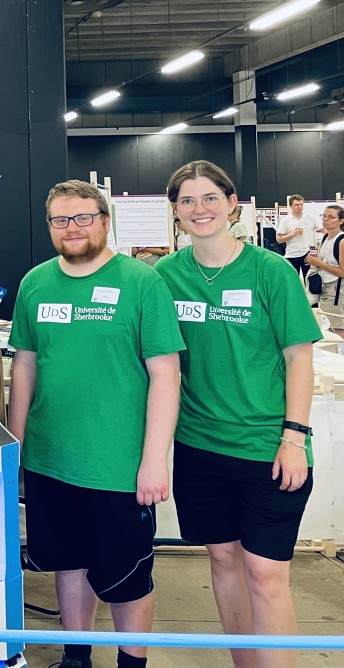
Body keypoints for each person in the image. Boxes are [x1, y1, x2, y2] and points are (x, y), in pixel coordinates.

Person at [9, 179, 183, 668]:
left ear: (105, 221)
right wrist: (15, 445)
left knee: (127, 575)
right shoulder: (35, 283)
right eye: (61, 220)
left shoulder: (142, 282)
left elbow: (165, 374)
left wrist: (154, 460)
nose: (72, 228)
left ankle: (132, 663)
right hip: (50, 458)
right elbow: (25, 365)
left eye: (83, 217)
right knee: (68, 562)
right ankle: (76, 657)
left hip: (119, 463)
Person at [156, 161, 321, 668]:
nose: (199, 209)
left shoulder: (269, 271)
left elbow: (299, 358)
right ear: (176, 214)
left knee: (266, 575)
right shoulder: (165, 276)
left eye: (209, 198)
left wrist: (294, 437)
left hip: (268, 448)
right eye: (187, 201)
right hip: (200, 447)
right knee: (223, 562)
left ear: (232, 204)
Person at [307, 205, 344, 334]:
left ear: (341, 221)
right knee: (330, 326)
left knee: (338, 328)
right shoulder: (325, 237)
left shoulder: (341, 241)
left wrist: (318, 263)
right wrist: (314, 261)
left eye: (331, 217)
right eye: (324, 216)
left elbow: (342, 272)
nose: (326, 219)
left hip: (337, 290)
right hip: (325, 287)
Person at [276, 194, 320, 276]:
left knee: (310, 282)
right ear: (290, 206)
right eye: (296, 205)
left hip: (307, 255)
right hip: (291, 255)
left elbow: (324, 229)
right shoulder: (285, 220)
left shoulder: (310, 218)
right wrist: (293, 234)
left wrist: (319, 248)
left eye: (301, 204)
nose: (299, 207)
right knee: (292, 282)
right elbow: (279, 239)